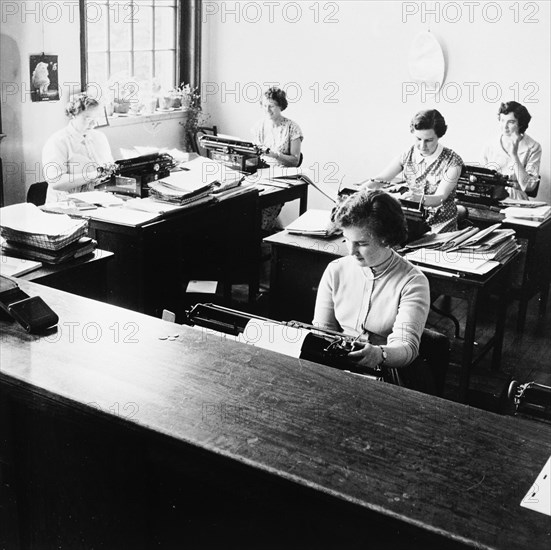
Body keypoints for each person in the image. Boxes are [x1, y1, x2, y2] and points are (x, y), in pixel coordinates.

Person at [313, 189, 431, 389]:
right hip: (340, 368)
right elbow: (322, 331)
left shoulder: (413, 282)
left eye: (361, 243)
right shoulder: (336, 270)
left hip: (388, 374)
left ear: (386, 239)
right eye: (347, 239)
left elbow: (407, 347)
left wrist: (380, 354)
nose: (351, 251)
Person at [363, 109, 463, 233]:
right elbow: (381, 179)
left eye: (429, 140)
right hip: (411, 221)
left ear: (439, 136)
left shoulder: (453, 161)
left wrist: (415, 198)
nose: (422, 146)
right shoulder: (407, 155)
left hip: (440, 226)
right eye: (418, 139)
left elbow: (440, 197)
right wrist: (358, 193)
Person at [42, 92, 114, 203]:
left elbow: (108, 169)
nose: (93, 124)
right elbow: (55, 182)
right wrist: (92, 175)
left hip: (96, 201)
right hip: (65, 205)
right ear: (73, 115)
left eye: (96, 119)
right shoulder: (58, 141)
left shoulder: (100, 137)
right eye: (88, 119)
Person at [252, 87, 303, 231]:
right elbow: (255, 155)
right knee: (243, 203)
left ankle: (262, 239)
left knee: (262, 215)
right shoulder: (259, 126)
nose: (267, 110)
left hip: (282, 177)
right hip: (261, 175)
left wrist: (274, 155)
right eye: (264, 106)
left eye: (271, 106)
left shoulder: (292, 128)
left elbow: (295, 160)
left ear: (280, 106)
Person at [483, 101, 541, 201]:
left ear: (521, 124)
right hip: (491, 199)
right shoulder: (490, 145)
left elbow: (528, 186)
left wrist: (514, 155)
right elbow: (482, 178)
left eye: (511, 122)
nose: (504, 126)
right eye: (502, 120)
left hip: (517, 201)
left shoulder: (533, 147)